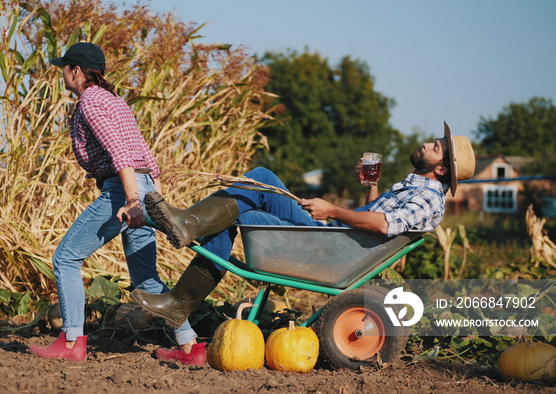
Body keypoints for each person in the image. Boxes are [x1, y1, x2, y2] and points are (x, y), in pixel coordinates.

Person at [131, 122, 476, 328]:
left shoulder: (430, 198)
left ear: (441, 169)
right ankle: (182, 272)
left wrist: (332, 210)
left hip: (330, 243)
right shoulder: (416, 187)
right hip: (337, 239)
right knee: (254, 192)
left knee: (249, 196)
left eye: (434, 148)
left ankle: (185, 253)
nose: (426, 145)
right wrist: (370, 186)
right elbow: (378, 216)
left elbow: (383, 226)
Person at [29, 42, 205, 365]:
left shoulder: (91, 103)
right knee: (146, 278)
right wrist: (153, 200)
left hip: (122, 191)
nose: (62, 74)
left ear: (76, 71)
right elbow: (147, 158)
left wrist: (134, 201)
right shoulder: (114, 100)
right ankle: (190, 346)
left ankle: (71, 341)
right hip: (143, 185)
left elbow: (120, 154)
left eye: (64, 68)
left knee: (65, 258)